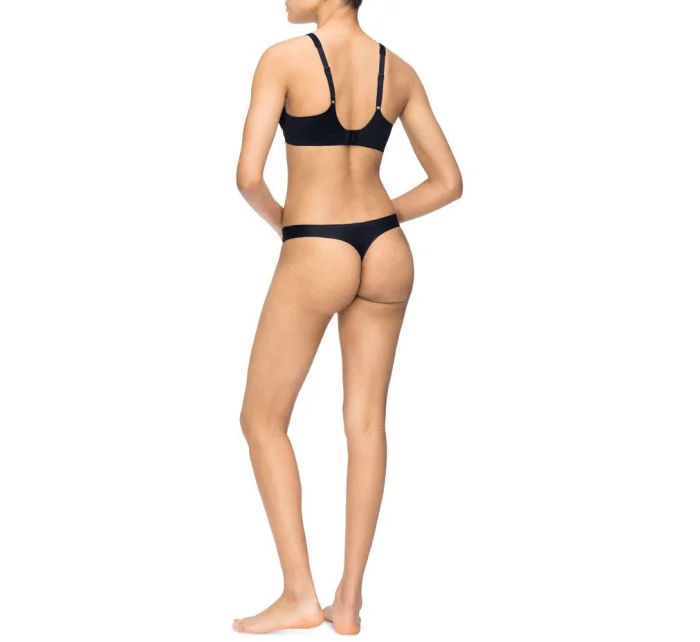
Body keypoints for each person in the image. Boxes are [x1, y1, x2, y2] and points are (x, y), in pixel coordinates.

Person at [233, 0, 462, 634]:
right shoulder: (401, 70)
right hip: (387, 251)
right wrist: (375, 216)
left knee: (261, 420)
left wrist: (294, 229)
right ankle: (351, 602)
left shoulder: (282, 60)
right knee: (365, 423)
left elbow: (248, 177)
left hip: (316, 248)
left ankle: (300, 595)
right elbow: (448, 183)